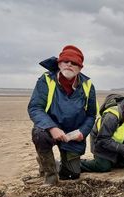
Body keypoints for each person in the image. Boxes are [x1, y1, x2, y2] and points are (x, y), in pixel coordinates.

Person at [28, 45, 97, 186]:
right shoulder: (46, 80)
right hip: (49, 129)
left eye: (74, 63)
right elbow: (35, 108)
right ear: (59, 63)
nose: (69, 65)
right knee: (39, 134)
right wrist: (52, 128)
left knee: (72, 175)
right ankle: (50, 175)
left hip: (72, 134)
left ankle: (49, 161)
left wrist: (82, 132)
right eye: (66, 61)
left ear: (80, 68)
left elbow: (91, 115)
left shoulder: (88, 86)